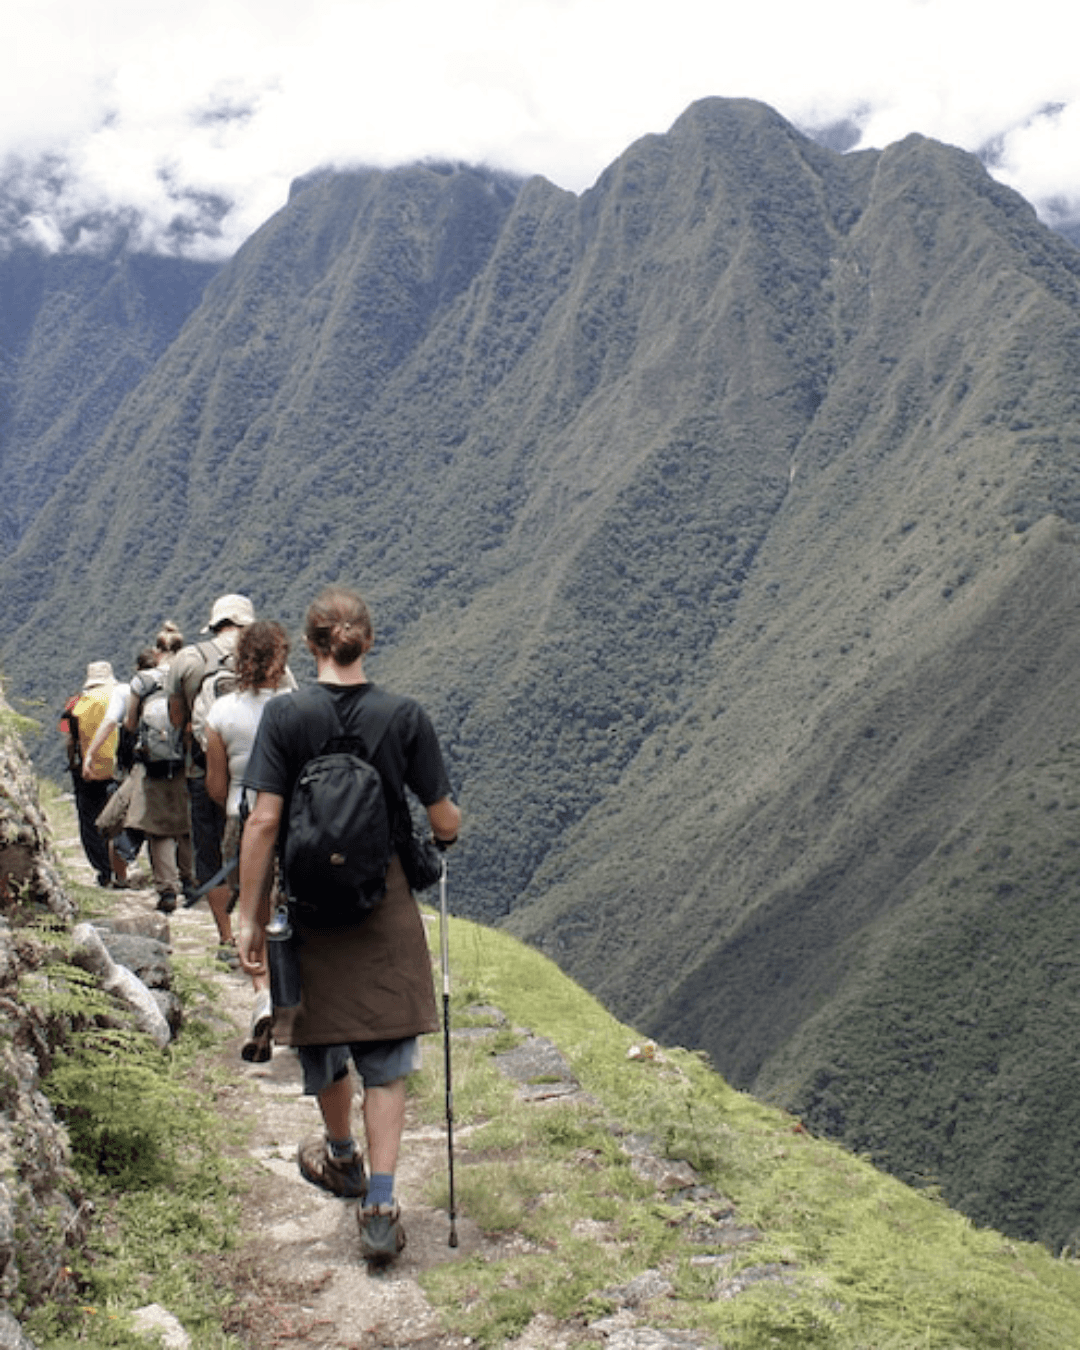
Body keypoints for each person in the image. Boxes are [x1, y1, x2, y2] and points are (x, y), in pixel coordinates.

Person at [235, 585, 461, 1266]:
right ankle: (382, 1207)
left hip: (307, 903)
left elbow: (264, 821)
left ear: (309, 646)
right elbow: (443, 817)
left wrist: (249, 918)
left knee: (323, 1038)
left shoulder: (285, 716)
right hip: (381, 899)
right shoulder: (405, 717)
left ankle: (341, 1157)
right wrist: (443, 838)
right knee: (385, 1057)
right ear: (369, 640)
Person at [204, 620, 293, 1058]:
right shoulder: (296, 708)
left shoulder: (221, 713)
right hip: (294, 819)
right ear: (282, 660)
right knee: (289, 907)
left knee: (253, 909)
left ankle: (263, 993)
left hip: (242, 819)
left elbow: (215, 785)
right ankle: (293, 996)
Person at [167, 595, 257, 950]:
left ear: (215, 624)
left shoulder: (189, 659)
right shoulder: (267, 656)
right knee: (258, 850)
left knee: (209, 853)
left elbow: (177, 717)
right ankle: (257, 932)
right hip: (257, 775)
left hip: (201, 769)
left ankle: (226, 937)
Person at [124, 646, 195, 914]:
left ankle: (167, 890)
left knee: (158, 829)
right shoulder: (187, 677)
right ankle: (190, 880)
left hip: (152, 765)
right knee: (186, 824)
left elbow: (130, 724)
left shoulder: (142, 683)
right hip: (184, 762)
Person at [61, 661, 120, 886]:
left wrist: (74, 764)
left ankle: (104, 871)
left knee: (90, 821)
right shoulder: (121, 698)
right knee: (117, 820)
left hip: (88, 770)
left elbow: (68, 737)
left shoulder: (75, 703)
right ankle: (121, 868)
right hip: (119, 769)